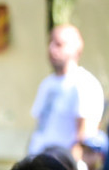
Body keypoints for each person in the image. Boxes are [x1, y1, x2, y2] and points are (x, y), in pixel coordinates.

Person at [28, 24, 104, 159]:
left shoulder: (84, 83)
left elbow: (85, 135)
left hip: (62, 165)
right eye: (50, 43)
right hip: (38, 160)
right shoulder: (47, 83)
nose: (52, 49)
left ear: (76, 49)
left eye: (59, 44)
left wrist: (71, 168)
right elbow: (40, 127)